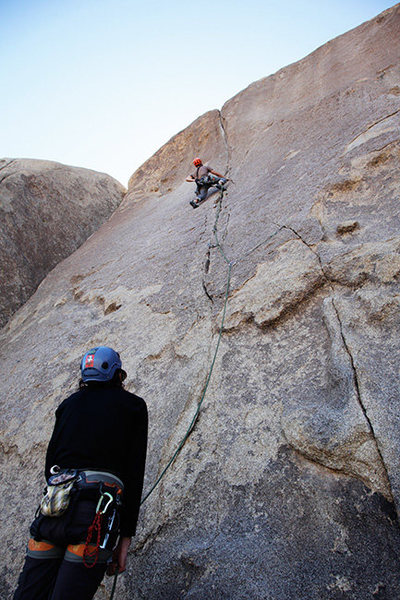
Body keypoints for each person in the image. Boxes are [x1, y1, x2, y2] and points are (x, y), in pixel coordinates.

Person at [13, 346, 148, 600]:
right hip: (95, 515)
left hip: (53, 512)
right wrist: (125, 538)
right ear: (118, 375)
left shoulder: (68, 406)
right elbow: (134, 473)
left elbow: (50, 466)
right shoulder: (134, 407)